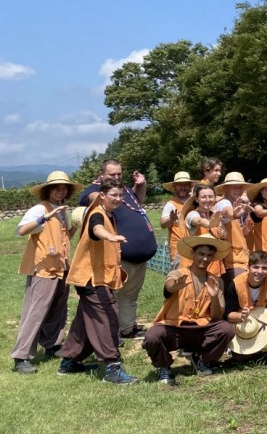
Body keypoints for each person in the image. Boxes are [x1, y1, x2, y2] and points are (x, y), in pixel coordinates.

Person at [61, 177, 137, 384]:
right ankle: (112, 367)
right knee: (108, 317)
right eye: (114, 195)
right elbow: (96, 230)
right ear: (102, 195)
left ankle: (69, 361)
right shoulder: (97, 214)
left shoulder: (108, 214)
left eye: (121, 195)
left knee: (85, 322)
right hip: (90, 279)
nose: (118, 199)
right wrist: (110, 237)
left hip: (96, 278)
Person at [79, 158, 157, 340]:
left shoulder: (125, 190)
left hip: (140, 257)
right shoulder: (96, 191)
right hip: (120, 256)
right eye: (111, 174)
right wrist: (101, 190)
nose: (116, 177)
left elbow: (138, 202)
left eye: (119, 174)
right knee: (112, 296)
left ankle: (127, 328)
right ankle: (110, 333)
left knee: (130, 295)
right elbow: (90, 199)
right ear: (101, 176)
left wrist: (141, 185)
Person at [11, 171, 81, 374]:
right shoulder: (39, 209)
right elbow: (22, 231)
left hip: (60, 267)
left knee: (58, 310)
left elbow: (63, 236)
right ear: (48, 189)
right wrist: (44, 218)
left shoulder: (61, 211)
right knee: (36, 311)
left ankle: (52, 345)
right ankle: (21, 356)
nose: (61, 190)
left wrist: (74, 228)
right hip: (42, 268)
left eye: (64, 187)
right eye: (56, 187)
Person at [143, 235, 236, 385]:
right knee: (153, 335)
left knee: (226, 329)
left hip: (201, 328)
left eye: (209, 255)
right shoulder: (179, 274)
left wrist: (213, 297)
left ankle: (203, 359)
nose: (205, 259)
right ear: (193, 254)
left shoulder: (216, 281)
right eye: (201, 254)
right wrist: (174, 287)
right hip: (175, 326)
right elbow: (168, 287)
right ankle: (164, 366)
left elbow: (217, 316)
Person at [161, 171, 196, 266]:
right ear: (174, 187)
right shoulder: (171, 204)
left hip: (196, 248)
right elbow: (163, 224)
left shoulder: (195, 201)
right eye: (180, 185)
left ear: (189, 186)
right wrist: (171, 219)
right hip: (178, 250)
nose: (183, 188)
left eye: (185, 185)